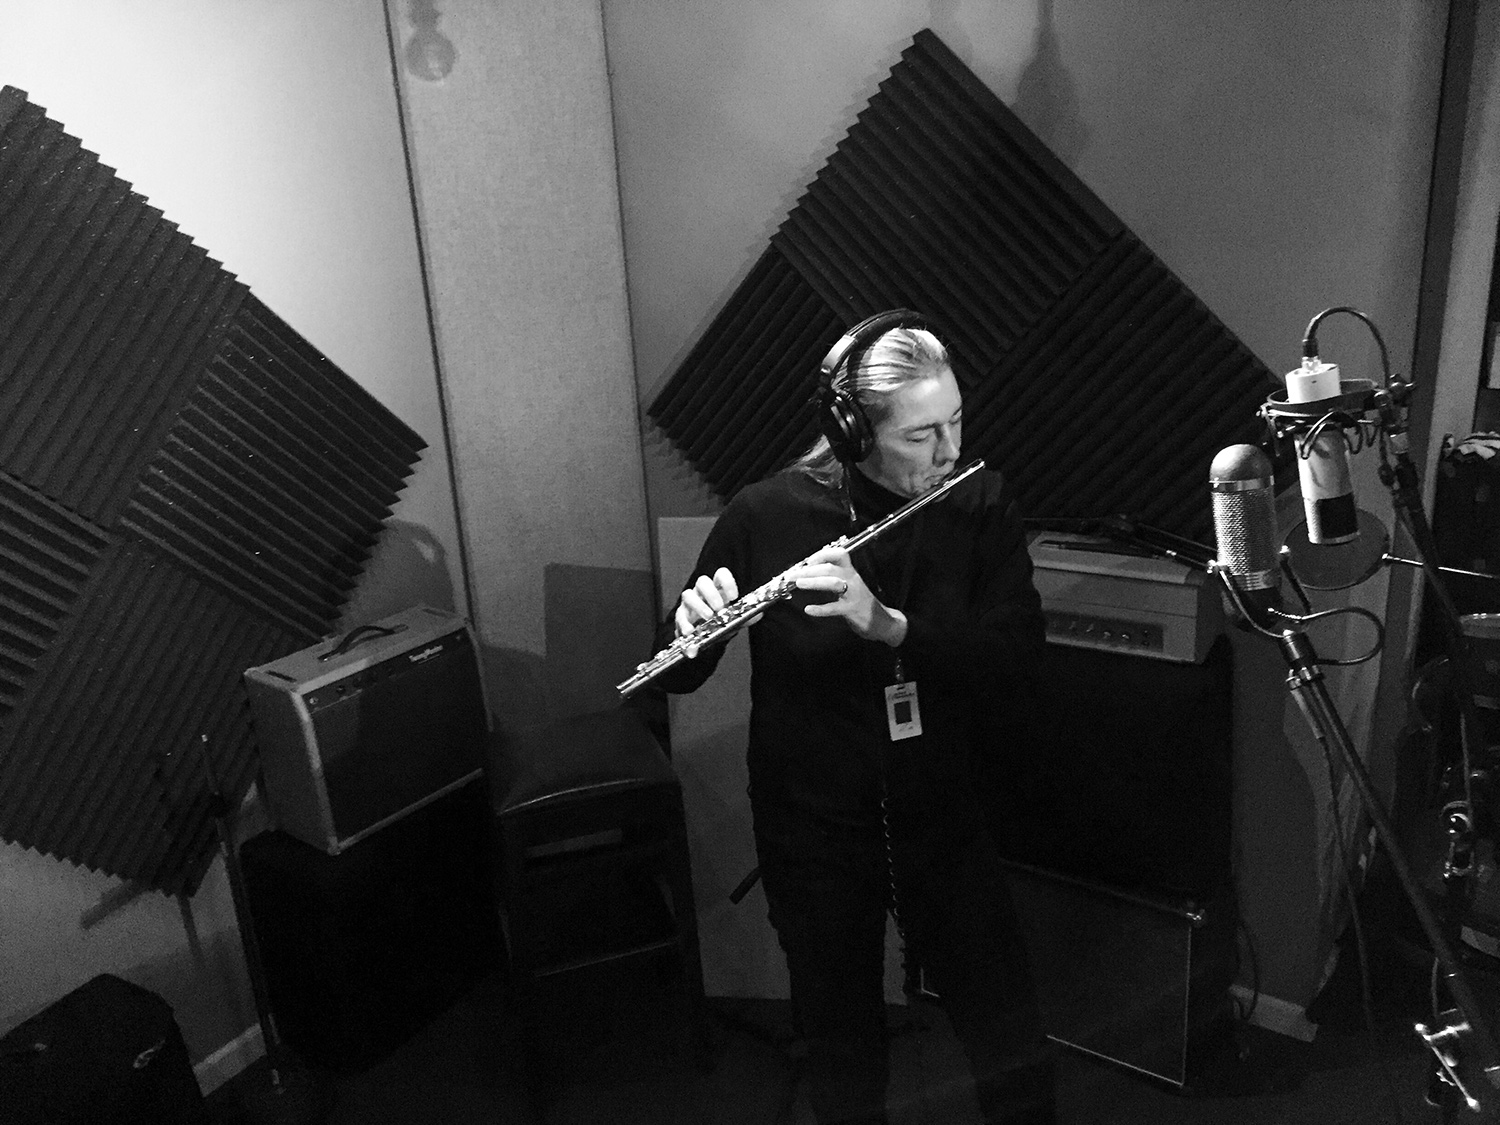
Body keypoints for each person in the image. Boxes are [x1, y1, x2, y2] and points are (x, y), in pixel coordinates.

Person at [652, 311, 1055, 1124]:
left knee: (1009, 1037)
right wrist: (689, 624)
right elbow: (683, 674)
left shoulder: (979, 503)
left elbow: (1014, 658)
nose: (948, 451)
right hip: (814, 830)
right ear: (851, 430)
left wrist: (890, 625)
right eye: (920, 436)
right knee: (842, 1057)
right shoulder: (767, 516)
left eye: (955, 422)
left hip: (942, 812)